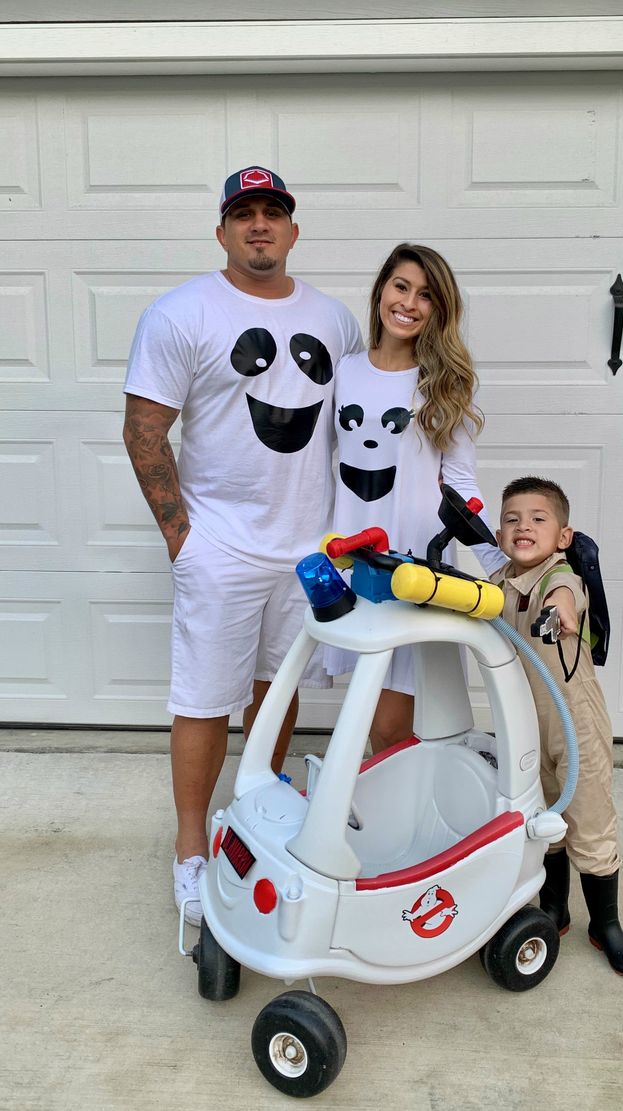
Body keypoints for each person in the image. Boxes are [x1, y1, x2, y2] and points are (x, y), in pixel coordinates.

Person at [122, 166, 363, 925]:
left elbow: (357, 425)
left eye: (273, 213)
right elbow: (143, 428)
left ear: (293, 230)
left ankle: (257, 809)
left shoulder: (334, 321)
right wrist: (181, 539)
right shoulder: (180, 313)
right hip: (219, 546)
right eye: (244, 213)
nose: (259, 225)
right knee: (201, 698)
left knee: (278, 687)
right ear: (222, 230)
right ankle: (191, 850)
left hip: (304, 547)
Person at [326, 243, 507, 751]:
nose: (409, 302)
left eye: (426, 295)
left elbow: (461, 485)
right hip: (352, 554)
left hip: (413, 563)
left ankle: (390, 815)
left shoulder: (444, 385)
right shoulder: (344, 372)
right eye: (401, 286)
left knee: (389, 714)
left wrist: (500, 562)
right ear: (382, 288)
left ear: (439, 310)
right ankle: (386, 807)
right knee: (364, 695)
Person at [490, 475, 623, 976]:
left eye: (538, 518)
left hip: (572, 723)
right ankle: (554, 906)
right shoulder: (496, 584)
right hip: (521, 724)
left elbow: (565, 603)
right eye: (512, 519)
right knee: (542, 818)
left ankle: (607, 925)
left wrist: (557, 619)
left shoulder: (561, 577)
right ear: (499, 534)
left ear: (562, 536)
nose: (523, 526)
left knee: (589, 817)